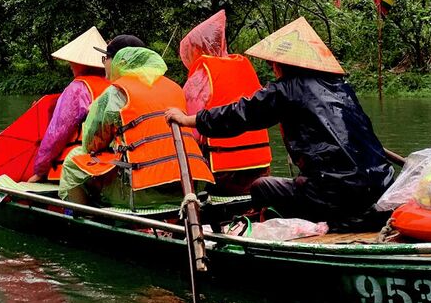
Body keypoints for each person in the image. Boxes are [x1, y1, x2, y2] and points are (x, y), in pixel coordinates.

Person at [166, 17, 394, 225]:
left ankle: (268, 221)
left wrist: (188, 120)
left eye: (273, 64)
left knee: (261, 187)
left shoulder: (288, 89)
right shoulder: (342, 89)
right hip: (381, 189)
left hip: (334, 195)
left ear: (282, 65)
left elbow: (240, 113)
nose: (273, 69)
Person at [58, 36, 215, 207]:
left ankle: (85, 221)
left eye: (106, 58)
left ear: (120, 60)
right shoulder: (175, 87)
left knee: (73, 160)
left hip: (142, 191)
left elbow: (92, 145)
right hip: (189, 185)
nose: (104, 64)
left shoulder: (114, 92)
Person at [178, 10, 272, 195]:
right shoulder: (243, 66)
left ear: (197, 49)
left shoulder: (200, 77)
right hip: (260, 168)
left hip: (223, 172)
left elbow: (190, 131)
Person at [25, 27, 110, 183]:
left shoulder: (77, 89)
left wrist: (40, 170)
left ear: (81, 63)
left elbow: (57, 133)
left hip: (75, 167)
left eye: (73, 61)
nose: (70, 64)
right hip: (108, 165)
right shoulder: (113, 86)